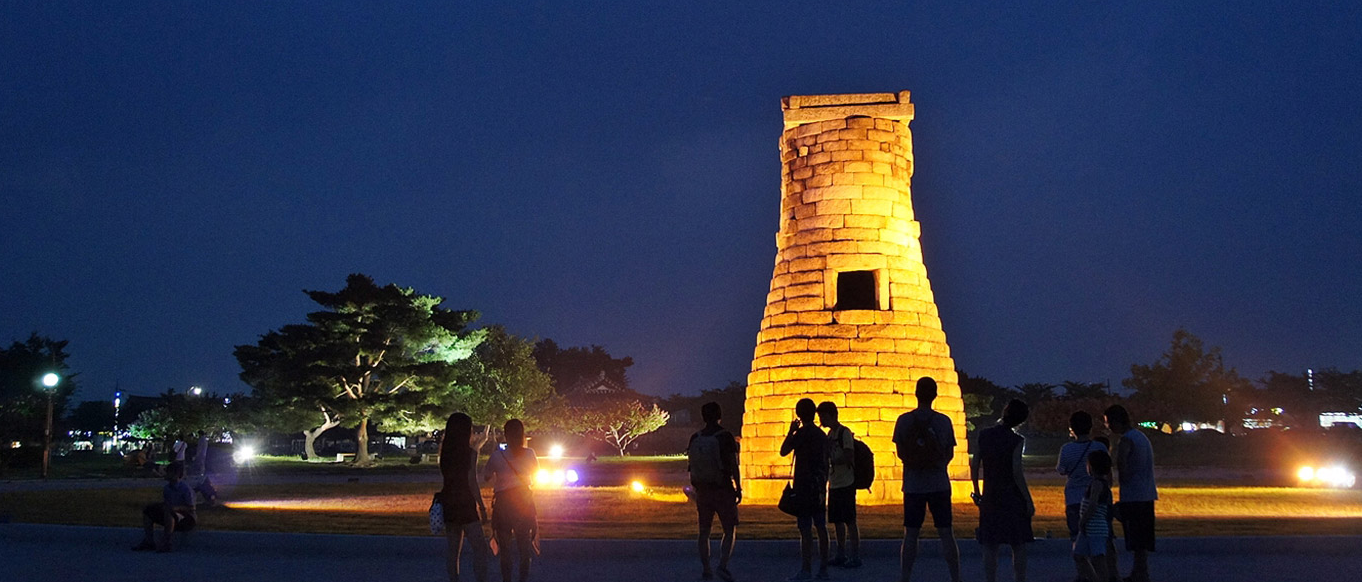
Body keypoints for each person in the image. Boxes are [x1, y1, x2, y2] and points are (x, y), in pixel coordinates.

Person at [893, 376, 961, 582]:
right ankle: (955, 578)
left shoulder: (904, 421)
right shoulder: (943, 421)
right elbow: (949, 454)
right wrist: (936, 464)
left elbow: (901, 453)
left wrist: (916, 464)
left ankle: (905, 578)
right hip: (939, 484)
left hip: (913, 485)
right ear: (935, 395)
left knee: (911, 534)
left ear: (916, 394)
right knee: (946, 533)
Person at [972, 399, 1034, 582]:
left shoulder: (984, 435)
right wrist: (1027, 499)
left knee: (990, 544)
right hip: (1012, 496)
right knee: (1018, 543)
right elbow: (1016, 472)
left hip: (990, 496)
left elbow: (975, 465)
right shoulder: (1017, 440)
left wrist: (977, 491)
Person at [687, 401, 742, 582]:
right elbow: (733, 464)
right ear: (719, 415)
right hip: (723, 488)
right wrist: (738, 487)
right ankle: (722, 566)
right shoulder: (725, 436)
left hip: (703, 490)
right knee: (729, 528)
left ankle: (706, 569)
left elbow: (692, 466)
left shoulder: (695, 437)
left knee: (704, 531)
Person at [1104, 405, 1157, 582]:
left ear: (1116, 422)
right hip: (1147, 493)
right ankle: (1140, 572)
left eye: (1108, 422)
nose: (1107, 426)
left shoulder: (1126, 440)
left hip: (1134, 495)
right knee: (1142, 539)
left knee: (1135, 537)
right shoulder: (1141, 437)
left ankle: (1139, 574)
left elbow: (1122, 466)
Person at [780, 398, 829, 581]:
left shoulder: (800, 434)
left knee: (805, 530)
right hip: (818, 486)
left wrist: (791, 431)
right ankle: (823, 570)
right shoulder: (821, 435)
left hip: (803, 486)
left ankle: (806, 570)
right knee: (821, 528)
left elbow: (784, 451)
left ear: (798, 415)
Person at [483, 419, 538, 582]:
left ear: (505, 435)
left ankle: (506, 579)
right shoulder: (530, 454)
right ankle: (523, 579)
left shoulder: (497, 456)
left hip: (503, 504)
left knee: (505, 550)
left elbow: (486, 476)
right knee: (524, 548)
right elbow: (535, 473)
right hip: (523, 503)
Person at [1057, 411, 1108, 582]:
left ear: (1072, 428)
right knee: (1099, 541)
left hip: (1073, 497)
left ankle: (1084, 575)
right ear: (1090, 427)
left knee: (1076, 537)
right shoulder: (1099, 447)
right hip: (1098, 500)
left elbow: (1062, 470)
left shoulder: (1066, 449)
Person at [440, 412, 490, 582]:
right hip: (465, 503)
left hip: (448, 501)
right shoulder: (469, 453)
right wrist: (482, 506)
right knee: (480, 548)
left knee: (453, 550)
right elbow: (472, 482)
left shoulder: (445, 454)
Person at [816, 401, 860, 569]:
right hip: (834, 483)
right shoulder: (830, 435)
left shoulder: (844, 433)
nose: (821, 420)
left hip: (846, 482)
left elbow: (849, 455)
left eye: (823, 416)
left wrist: (832, 460)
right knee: (837, 521)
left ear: (832, 415)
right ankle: (841, 554)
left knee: (850, 520)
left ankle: (855, 556)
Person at [132, 462, 196, 553]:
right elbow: (166, 503)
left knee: (169, 512)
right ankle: (149, 541)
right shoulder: (167, 488)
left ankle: (167, 543)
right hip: (171, 514)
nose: (166, 474)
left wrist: (175, 508)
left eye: (169, 472)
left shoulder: (185, 489)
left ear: (176, 474)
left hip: (187, 519)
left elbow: (191, 508)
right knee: (148, 511)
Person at [1074, 450, 1114, 582]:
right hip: (1089, 527)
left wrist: (1083, 520)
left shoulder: (1097, 484)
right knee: (1079, 555)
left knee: (1098, 558)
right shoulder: (1100, 483)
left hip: (1095, 526)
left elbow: (1093, 504)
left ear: (1092, 466)